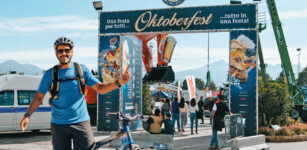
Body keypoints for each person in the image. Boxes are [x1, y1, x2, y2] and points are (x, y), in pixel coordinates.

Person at [19, 36, 130, 150]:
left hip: (81, 122)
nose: (64, 53)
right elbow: (38, 97)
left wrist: (119, 82)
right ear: (56, 53)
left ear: (72, 52)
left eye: (67, 50)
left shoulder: (82, 70)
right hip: (59, 124)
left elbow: (100, 88)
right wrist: (27, 115)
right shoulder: (49, 74)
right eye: (60, 51)